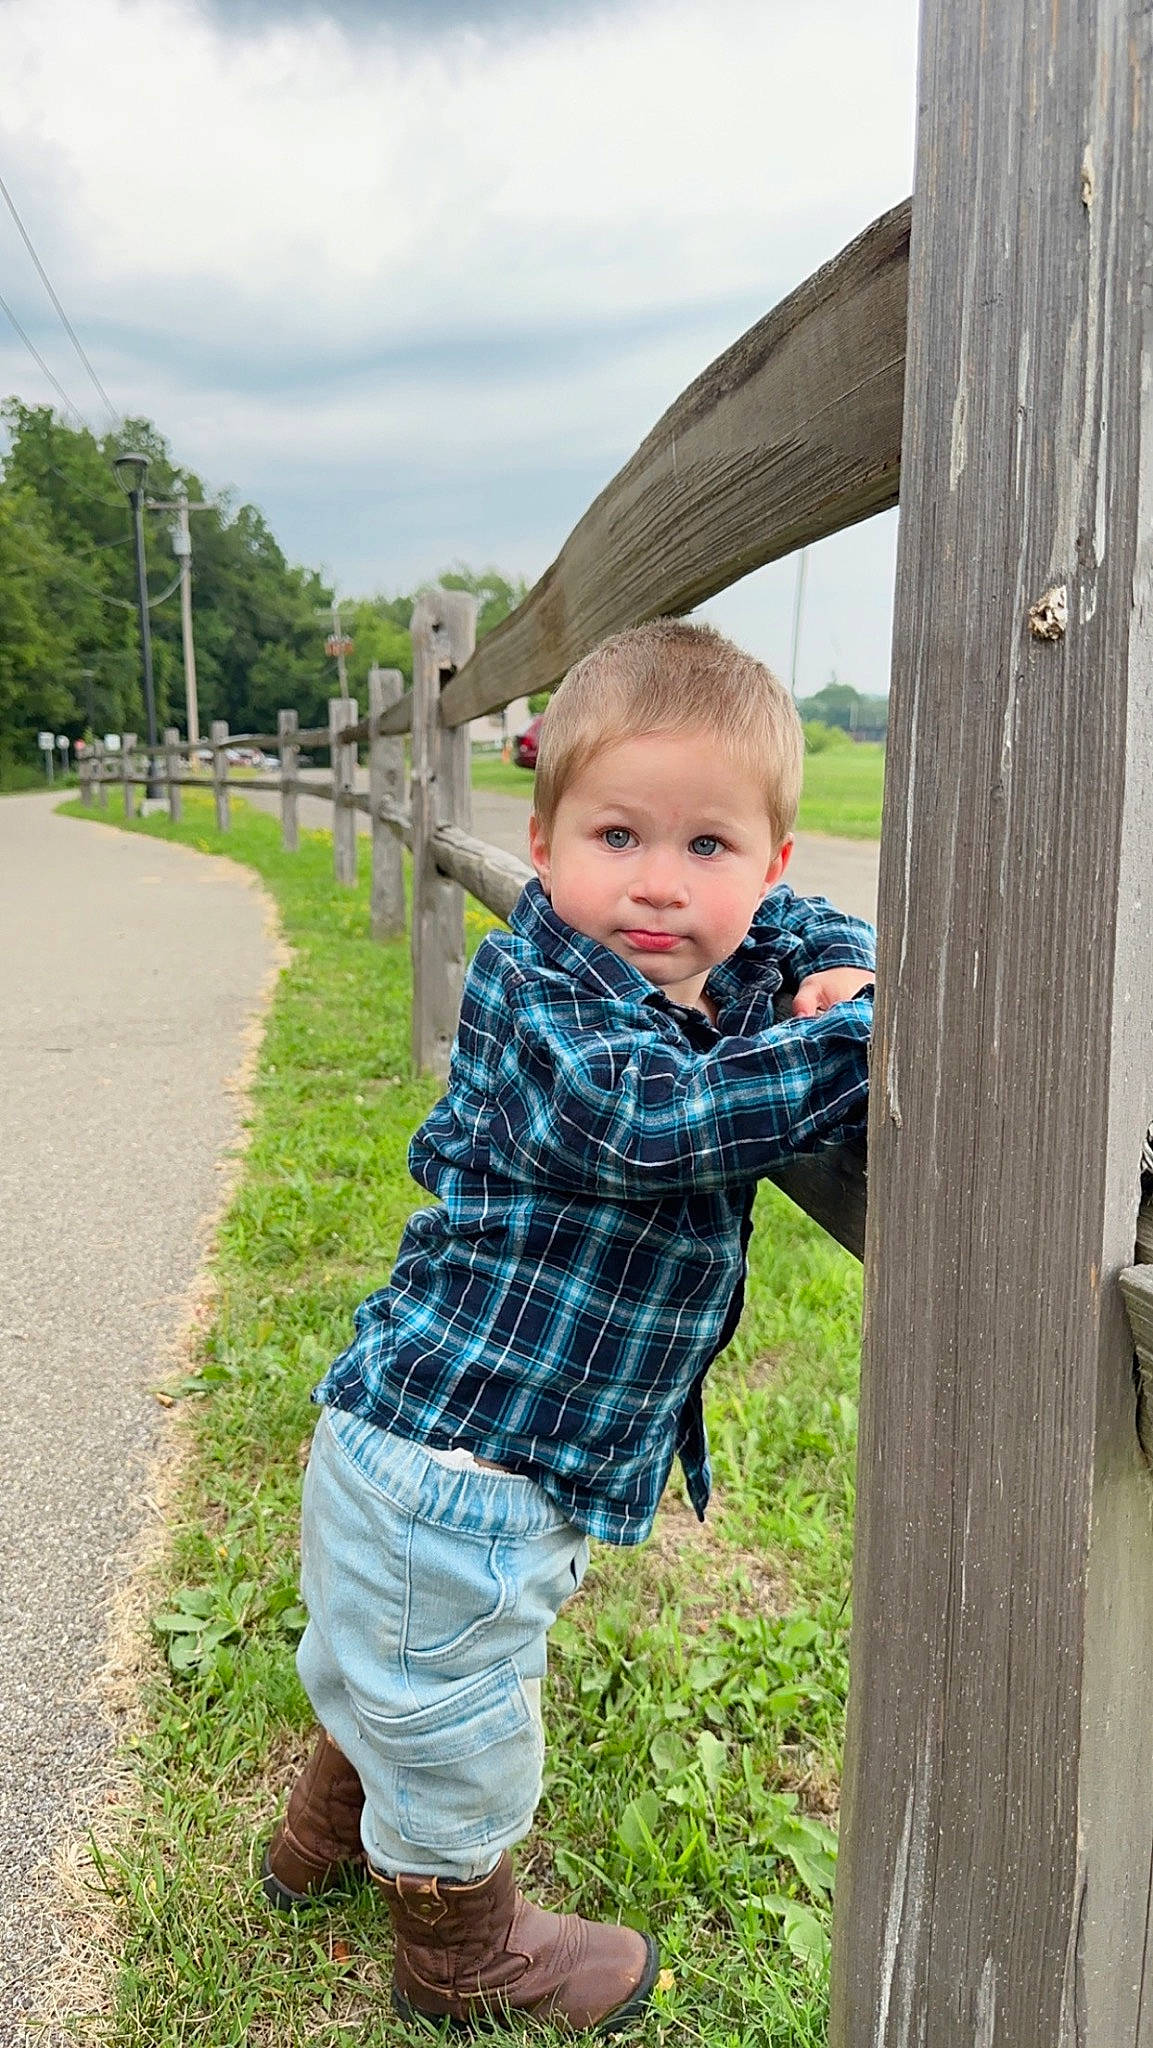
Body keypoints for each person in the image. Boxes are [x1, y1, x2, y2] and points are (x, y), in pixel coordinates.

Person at [262, 619, 875, 2034]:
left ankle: (318, 1843)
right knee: (457, 1716)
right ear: (538, 846)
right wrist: (861, 1032)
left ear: (768, 864)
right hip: (457, 1473)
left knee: (391, 1667)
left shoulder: (705, 941)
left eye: (708, 848)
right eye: (615, 836)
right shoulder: (539, 995)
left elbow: (791, 929)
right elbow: (649, 1128)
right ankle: (462, 1954)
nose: (658, 884)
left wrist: (834, 956)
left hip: (437, 1449)